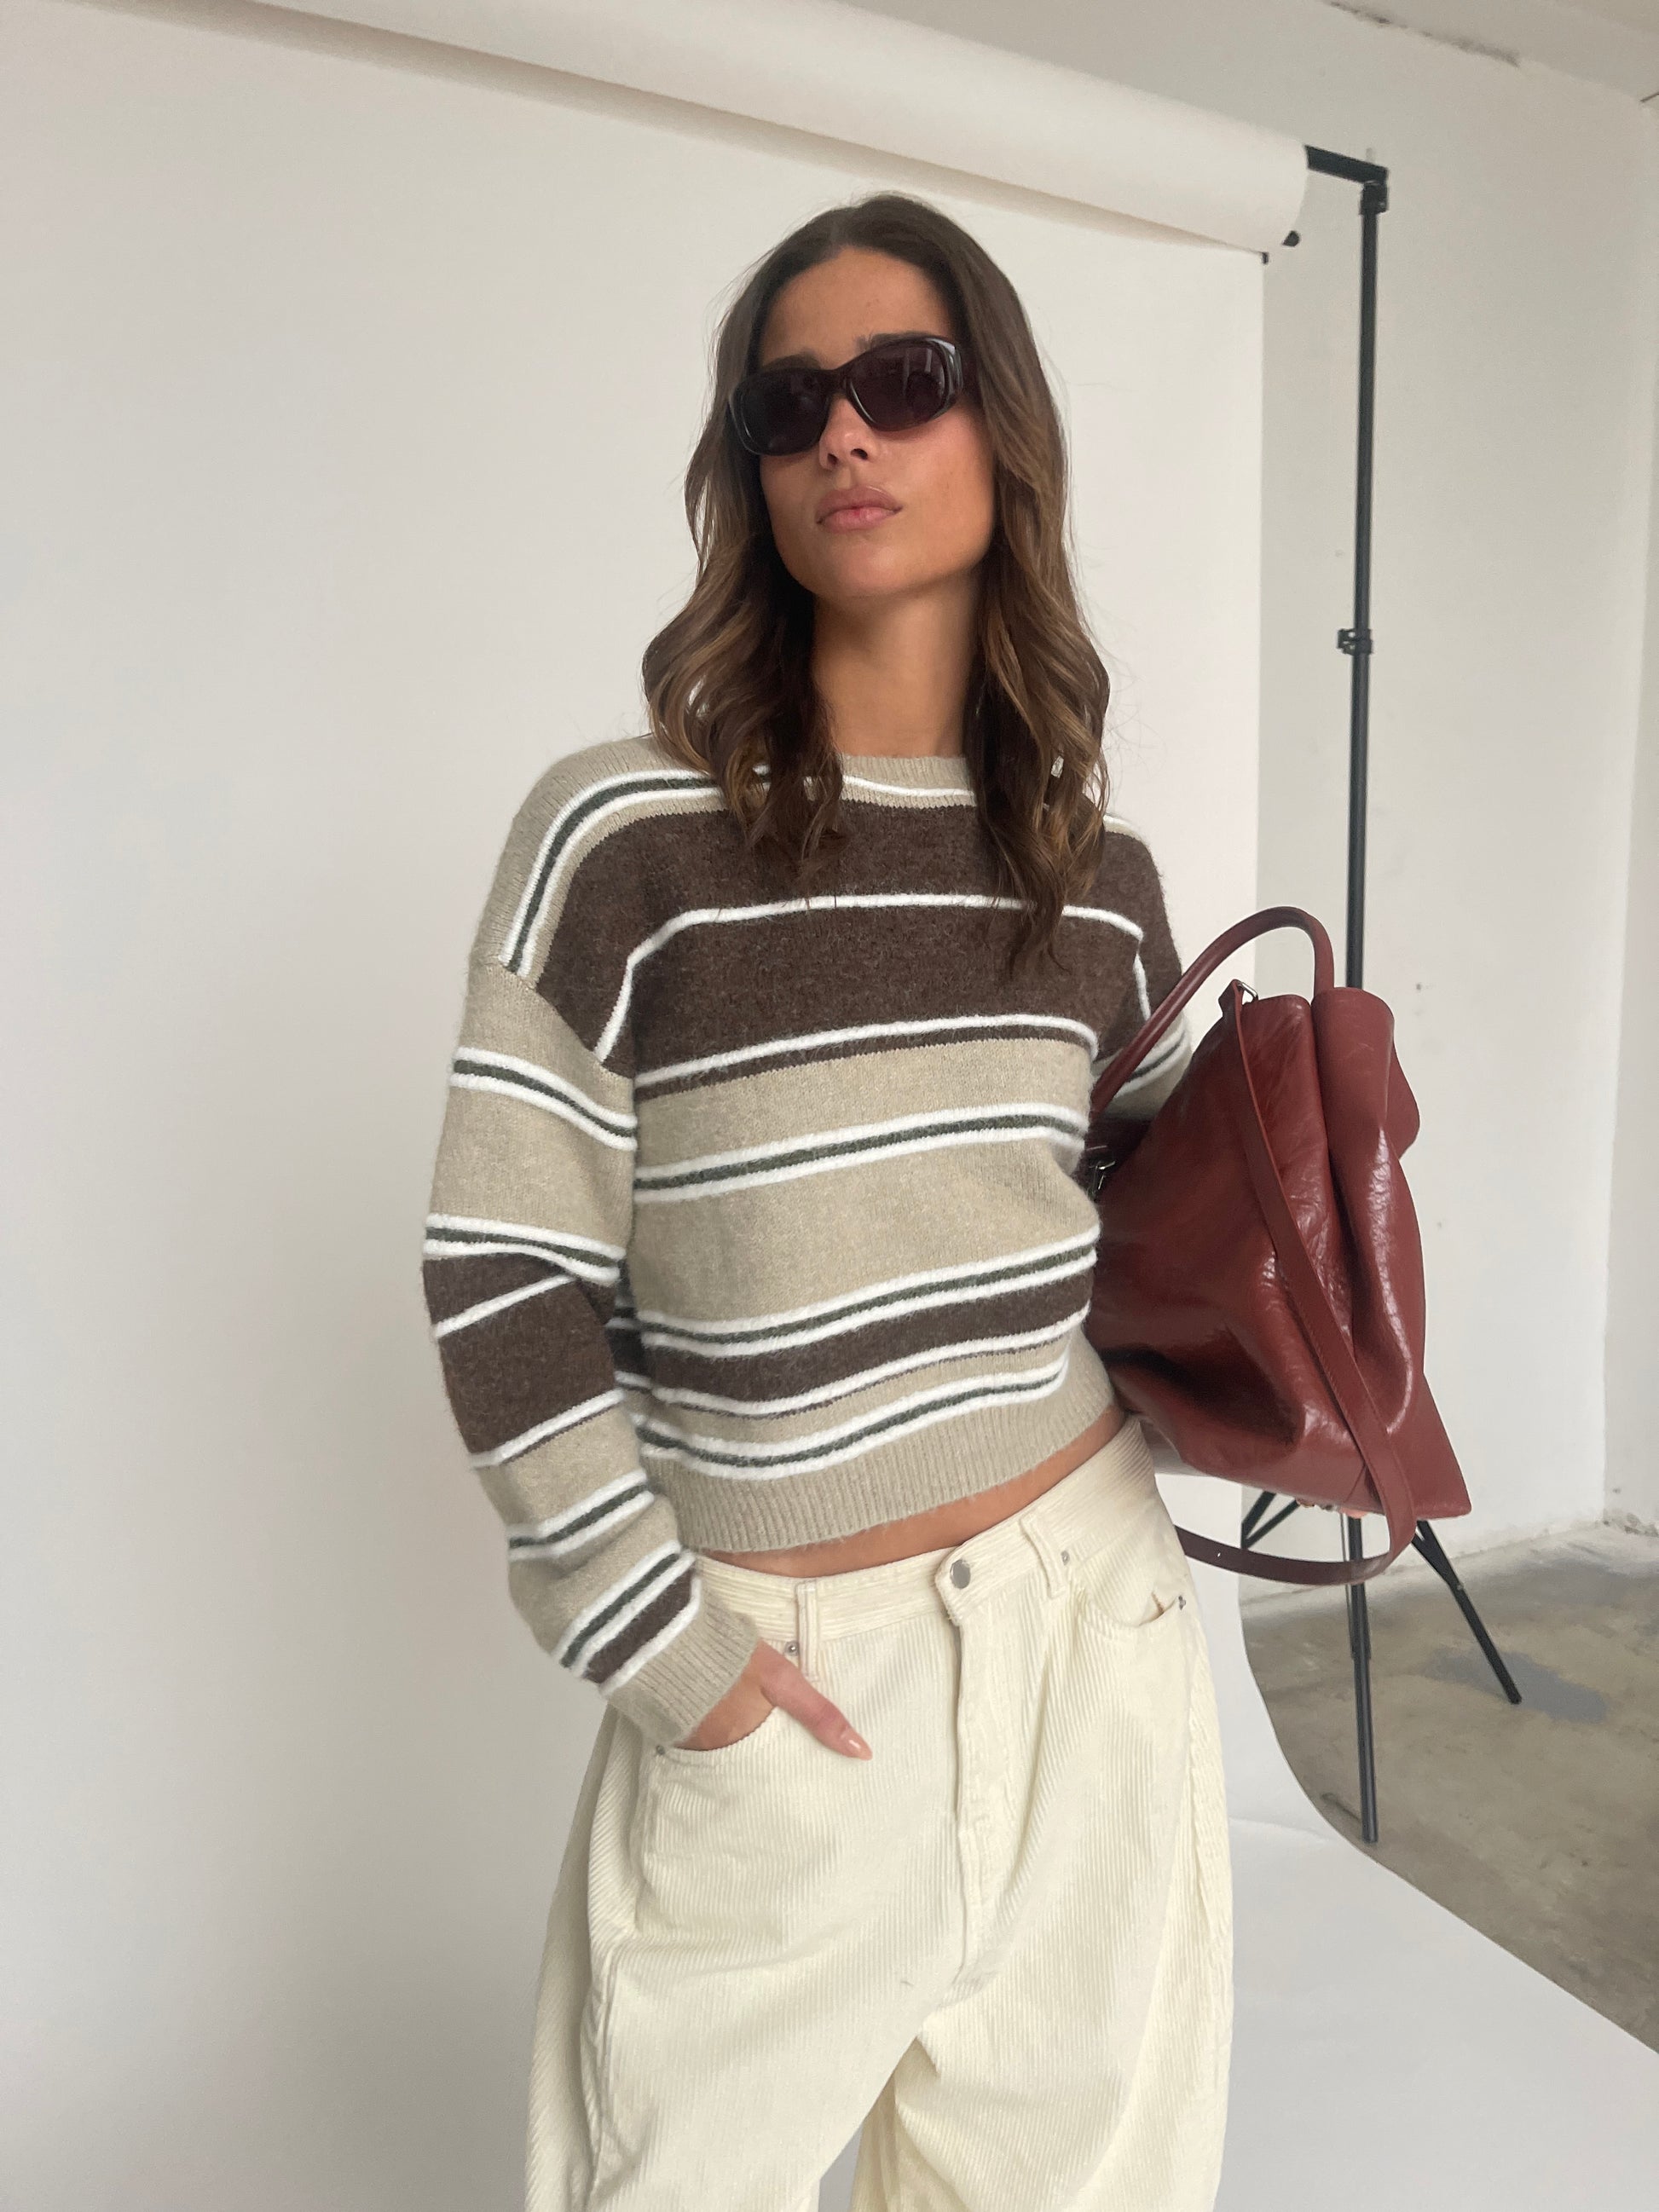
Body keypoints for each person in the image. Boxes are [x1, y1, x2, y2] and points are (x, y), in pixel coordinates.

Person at [422, 189, 1232, 2212]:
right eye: (789, 405)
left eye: (902, 380)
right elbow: (501, 1266)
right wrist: (666, 1655)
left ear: (1001, 434)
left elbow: (1147, 1232)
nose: (843, 433)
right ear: (751, 469)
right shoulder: (623, 836)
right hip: (788, 1680)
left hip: (1092, 1622)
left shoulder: (1095, 874)